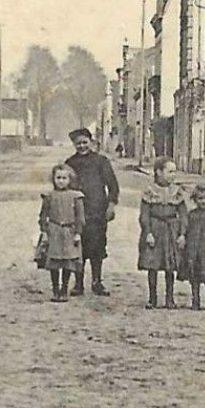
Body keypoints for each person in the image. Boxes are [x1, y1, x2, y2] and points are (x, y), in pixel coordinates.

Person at [63, 127, 120, 296]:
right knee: (78, 247)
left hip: (97, 211)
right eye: (78, 143)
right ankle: (78, 283)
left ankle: (97, 281)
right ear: (74, 144)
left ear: (91, 142)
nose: (82, 146)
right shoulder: (70, 163)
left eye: (84, 142)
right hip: (77, 212)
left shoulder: (101, 161)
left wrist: (111, 205)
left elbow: (113, 186)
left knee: (97, 247)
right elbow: (63, 185)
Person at [137, 156, 187, 309]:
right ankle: (152, 298)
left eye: (174, 171)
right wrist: (148, 233)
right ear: (159, 172)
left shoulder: (177, 192)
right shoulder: (150, 191)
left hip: (171, 229)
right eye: (170, 171)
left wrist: (182, 234)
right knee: (153, 264)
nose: (173, 175)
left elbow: (184, 214)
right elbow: (144, 215)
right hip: (155, 229)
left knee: (170, 265)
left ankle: (170, 298)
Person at [38, 163, 86, 301]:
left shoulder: (76, 197)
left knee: (68, 262)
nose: (61, 181)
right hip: (54, 231)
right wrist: (45, 232)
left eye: (64, 178)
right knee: (55, 261)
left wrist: (78, 233)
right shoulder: (49, 196)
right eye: (58, 177)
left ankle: (64, 288)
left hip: (70, 232)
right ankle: (55, 289)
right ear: (53, 179)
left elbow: (80, 217)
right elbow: (43, 216)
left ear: (70, 179)